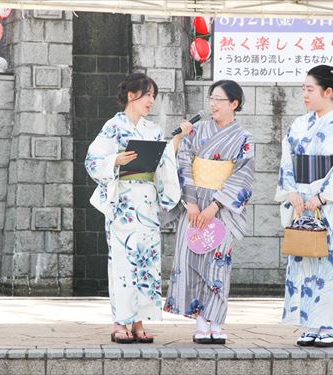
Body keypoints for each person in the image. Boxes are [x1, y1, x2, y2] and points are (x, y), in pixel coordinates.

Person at [85, 72, 191, 344]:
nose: (151, 101)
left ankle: (139, 321)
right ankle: (120, 321)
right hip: (122, 203)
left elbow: (164, 160)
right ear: (132, 96)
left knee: (146, 263)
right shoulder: (113, 126)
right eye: (147, 95)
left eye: (153, 96)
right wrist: (116, 159)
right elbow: (92, 160)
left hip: (147, 202)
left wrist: (177, 141)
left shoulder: (151, 129)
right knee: (122, 263)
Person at [275, 65, 333, 347]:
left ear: (328, 92)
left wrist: (322, 197)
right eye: (303, 89)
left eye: (310, 89)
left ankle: (328, 327)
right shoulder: (298, 125)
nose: (305, 94)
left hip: (330, 207)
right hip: (301, 204)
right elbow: (287, 161)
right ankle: (309, 324)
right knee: (303, 260)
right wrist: (292, 192)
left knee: (331, 262)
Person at [163, 80, 254, 344]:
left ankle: (216, 320)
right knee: (191, 261)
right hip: (193, 206)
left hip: (221, 208)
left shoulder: (244, 139)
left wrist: (215, 206)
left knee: (218, 263)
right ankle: (200, 321)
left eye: (219, 99)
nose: (212, 104)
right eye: (211, 98)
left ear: (234, 104)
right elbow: (183, 163)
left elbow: (243, 176)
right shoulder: (196, 130)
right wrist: (191, 203)